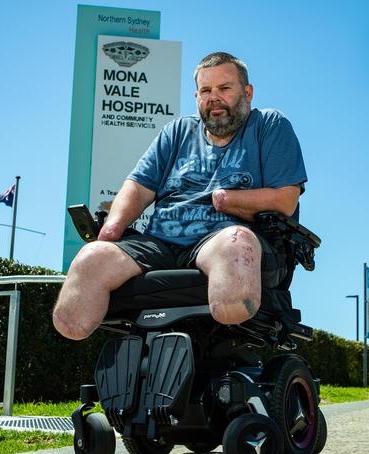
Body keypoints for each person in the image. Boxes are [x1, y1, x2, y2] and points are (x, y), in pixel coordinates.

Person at [53, 52, 307, 340]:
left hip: (222, 239)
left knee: (236, 243)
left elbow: (285, 200)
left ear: (247, 92)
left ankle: (214, 352)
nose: (214, 98)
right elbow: (138, 186)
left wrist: (227, 200)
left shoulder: (269, 126)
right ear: (196, 95)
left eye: (224, 89)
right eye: (206, 91)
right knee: (91, 259)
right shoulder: (177, 131)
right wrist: (113, 227)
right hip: (161, 244)